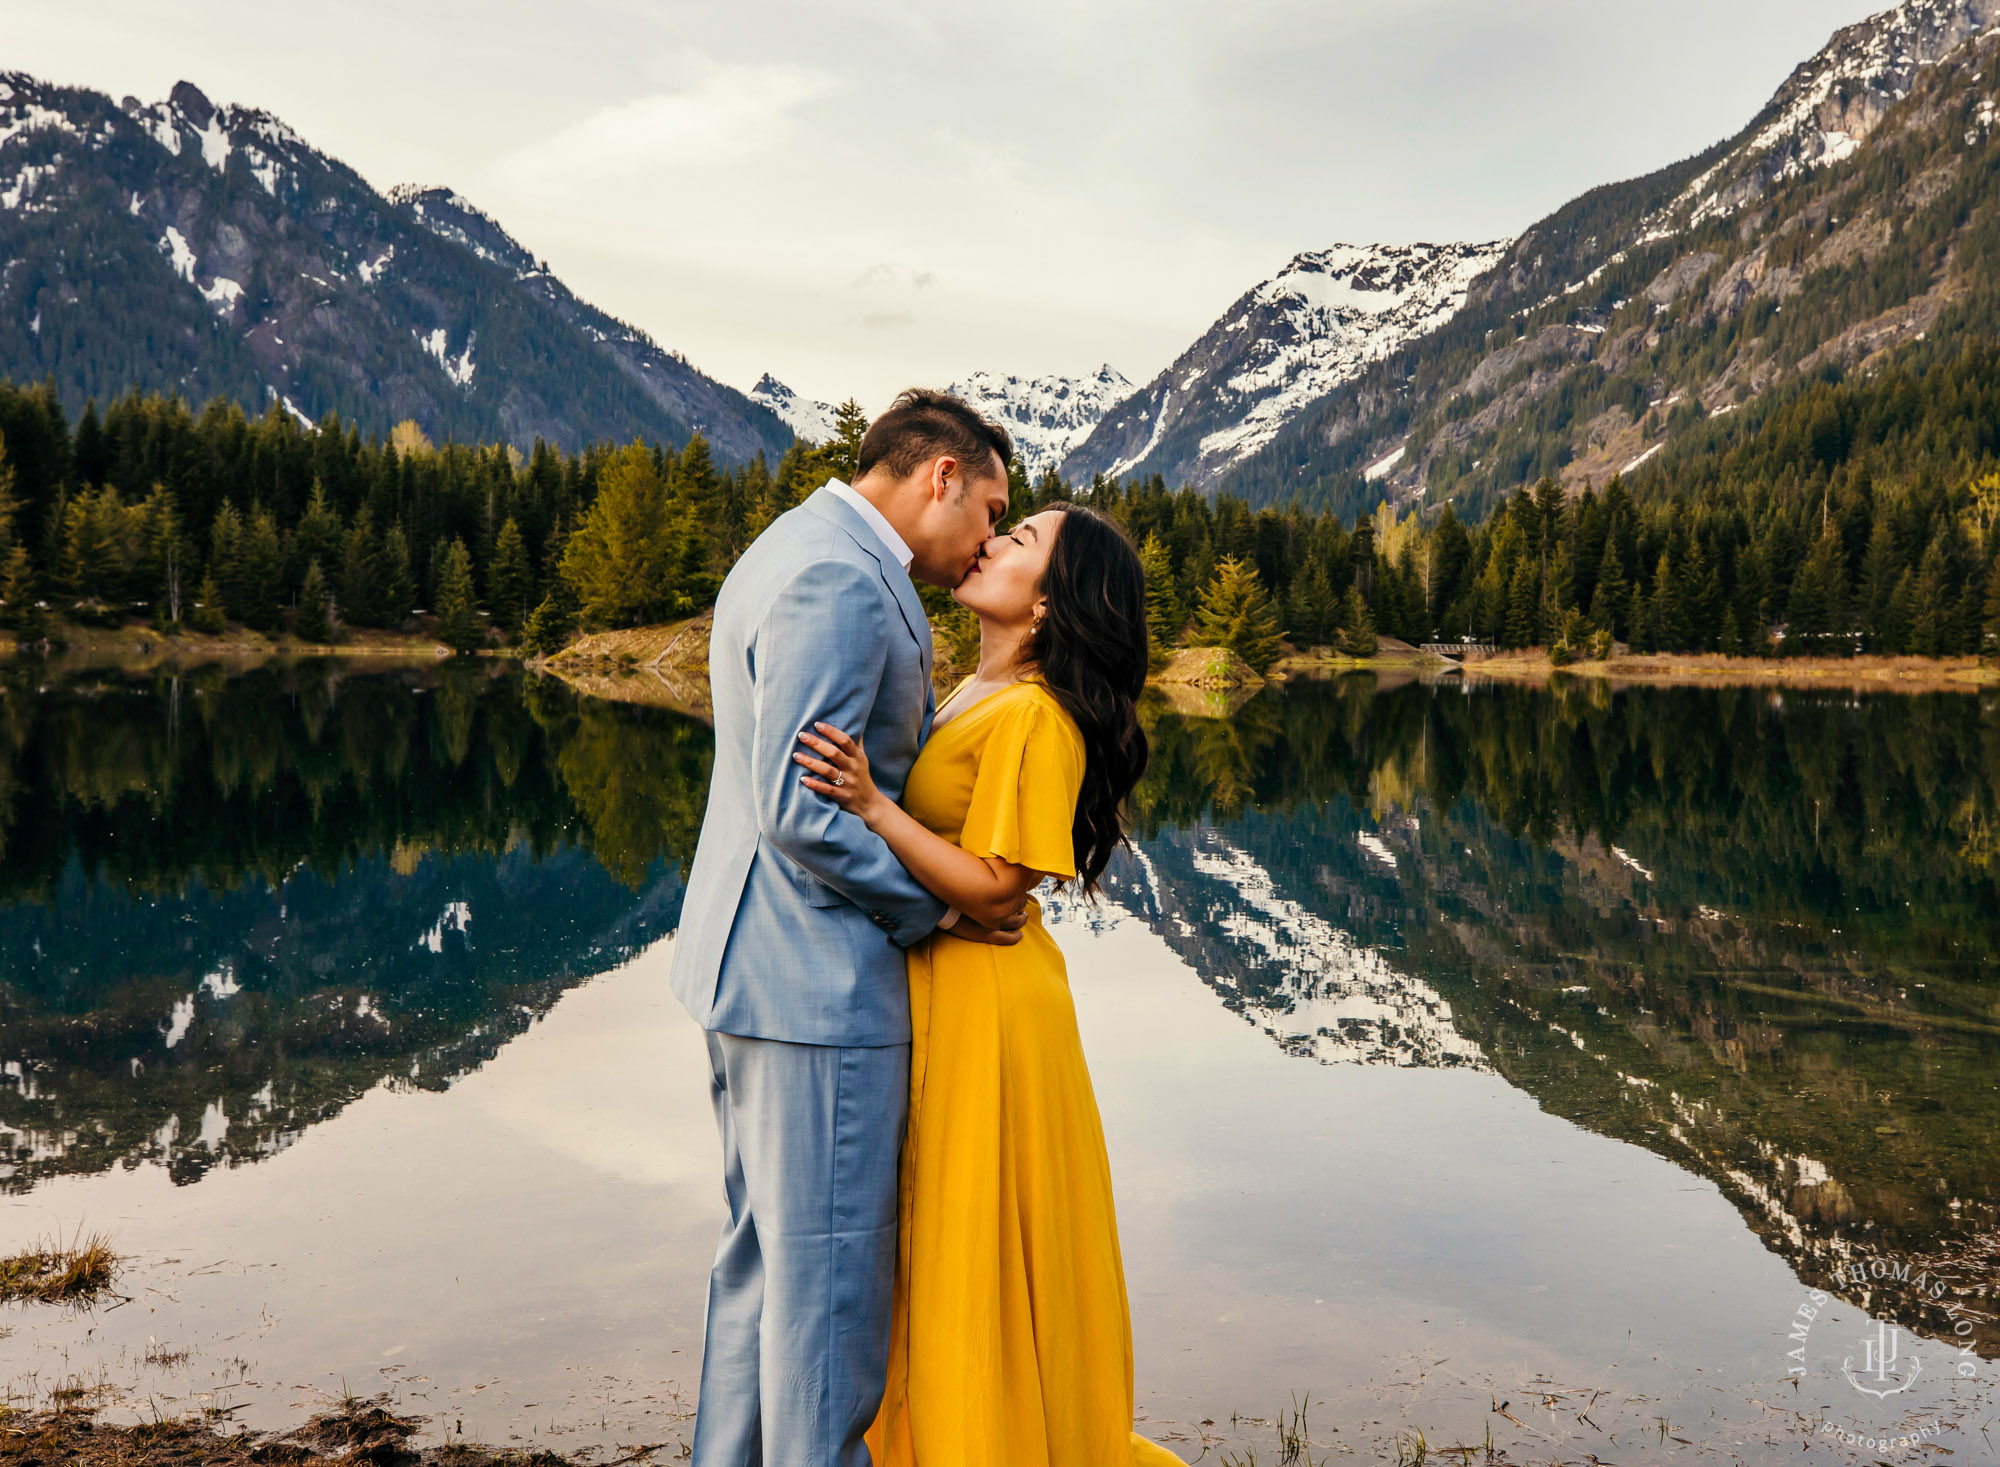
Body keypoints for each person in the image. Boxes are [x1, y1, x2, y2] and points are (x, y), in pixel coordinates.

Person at [670, 389, 1025, 1467]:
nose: (988, 539)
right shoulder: (836, 577)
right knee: (829, 1295)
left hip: (747, 977)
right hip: (814, 991)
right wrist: (941, 910)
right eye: (993, 505)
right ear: (940, 476)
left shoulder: (794, 542)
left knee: (762, 1273)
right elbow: (800, 805)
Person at [794, 504, 1189, 1466]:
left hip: (998, 1008)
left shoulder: (1036, 716)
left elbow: (1000, 884)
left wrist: (875, 808)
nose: (994, 541)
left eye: (1023, 541)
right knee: (941, 1226)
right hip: (953, 988)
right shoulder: (974, 689)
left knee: (974, 1232)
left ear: (1050, 601)